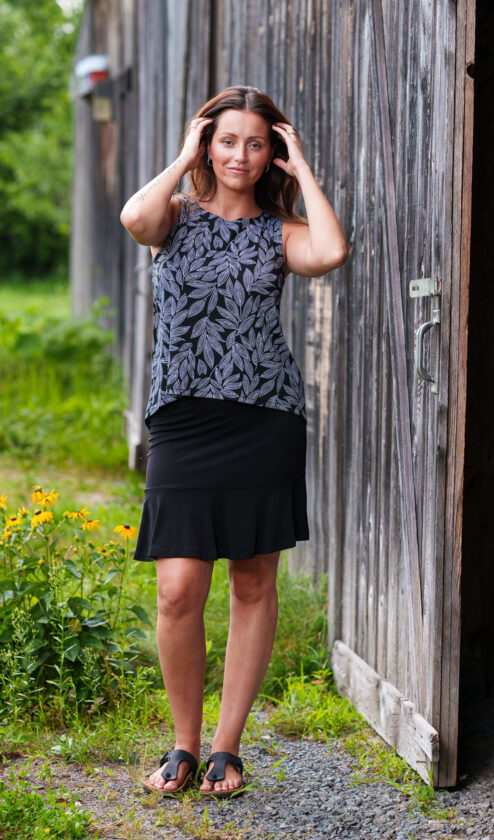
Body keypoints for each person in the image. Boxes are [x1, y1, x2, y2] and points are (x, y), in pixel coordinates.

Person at [120, 85, 348, 798]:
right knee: (179, 588)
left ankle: (225, 747)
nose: (240, 156)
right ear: (208, 144)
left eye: (256, 143)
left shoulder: (280, 232)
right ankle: (183, 744)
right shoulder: (175, 218)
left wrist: (303, 167)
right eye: (227, 141)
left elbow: (332, 250)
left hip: (262, 419)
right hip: (184, 420)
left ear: (270, 151)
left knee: (253, 582)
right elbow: (134, 216)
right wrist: (183, 155)